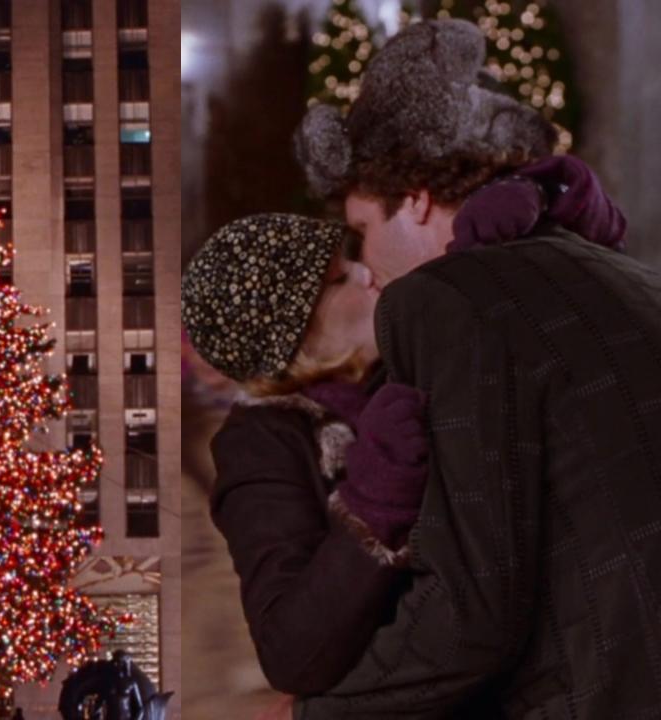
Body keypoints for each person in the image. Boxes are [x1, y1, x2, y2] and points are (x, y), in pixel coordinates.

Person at [283, 18, 660, 719]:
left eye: (362, 234)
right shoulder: (619, 272)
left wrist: (310, 715)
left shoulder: (444, 300)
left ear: (417, 197)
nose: (369, 271)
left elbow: (473, 610)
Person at [182, 165, 624, 703]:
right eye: (340, 280)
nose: (368, 274)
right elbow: (291, 652)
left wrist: (533, 225)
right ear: (293, 339)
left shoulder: (399, 367)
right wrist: (370, 505)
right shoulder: (263, 443)